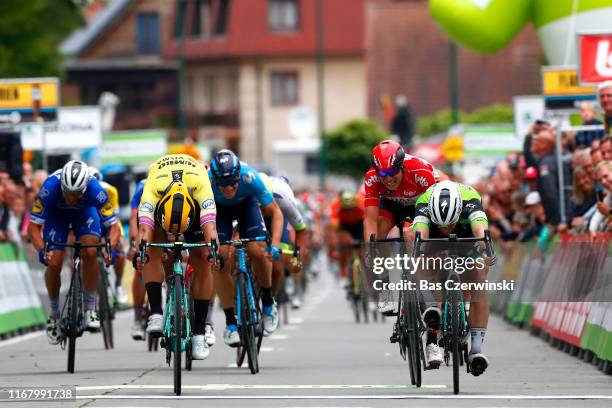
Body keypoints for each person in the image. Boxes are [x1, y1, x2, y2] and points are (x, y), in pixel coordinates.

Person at [135, 154, 220, 361]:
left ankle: (199, 333)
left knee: (203, 256)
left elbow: (210, 227)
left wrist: (214, 252)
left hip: (193, 208)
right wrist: (140, 252)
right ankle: (155, 313)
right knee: (150, 252)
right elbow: (144, 228)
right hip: (160, 209)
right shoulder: (153, 186)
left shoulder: (201, 184)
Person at [27, 160, 120, 345]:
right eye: (67, 193)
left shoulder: (96, 191)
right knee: (54, 262)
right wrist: (41, 251)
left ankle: (90, 309)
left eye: (76, 194)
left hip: (84, 214)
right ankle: (54, 315)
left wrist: (111, 247)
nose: (70, 199)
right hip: (56, 216)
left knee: (91, 252)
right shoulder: (49, 188)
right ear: (62, 187)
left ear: (84, 189)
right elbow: (33, 227)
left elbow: (113, 227)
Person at [412, 180, 491, 375]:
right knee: (419, 261)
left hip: (466, 236)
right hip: (433, 238)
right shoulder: (424, 203)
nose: (447, 229)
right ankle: (433, 308)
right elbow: (420, 239)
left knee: (479, 275)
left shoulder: (470, 200)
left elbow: (482, 234)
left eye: (450, 224)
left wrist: (484, 250)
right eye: (443, 225)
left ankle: (476, 350)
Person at [208, 150, 284, 346]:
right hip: (219, 210)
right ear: (215, 180)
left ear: (238, 176)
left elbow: (276, 213)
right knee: (219, 258)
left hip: (247, 206)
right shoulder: (206, 181)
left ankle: (267, 302)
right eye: (223, 185)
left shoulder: (249, 176)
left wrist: (274, 245)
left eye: (233, 183)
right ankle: (230, 322)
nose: (229, 188)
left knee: (258, 250)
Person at [363, 140, 437, 314]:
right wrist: (370, 249)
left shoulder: (420, 171)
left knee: (415, 236)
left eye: (392, 171)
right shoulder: (372, 178)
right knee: (380, 229)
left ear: (402, 165)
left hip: (421, 204)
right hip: (392, 205)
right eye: (382, 173)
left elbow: (435, 211)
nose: (388, 178)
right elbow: (370, 219)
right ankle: (386, 287)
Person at [88, 167, 128, 304]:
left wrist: (118, 236)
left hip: (107, 221)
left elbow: (114, 220)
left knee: (120, 248)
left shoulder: (110, 190)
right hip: (89, 223)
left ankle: (118, 284)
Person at [523, 122, 562, 227]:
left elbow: (550, 193)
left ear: (544, 145)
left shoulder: (547, 163)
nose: (533, 141)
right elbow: (529, 160)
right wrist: (529, 135)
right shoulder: (544, 160)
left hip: (557, 219)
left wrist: (555, 221)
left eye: (537, 139)